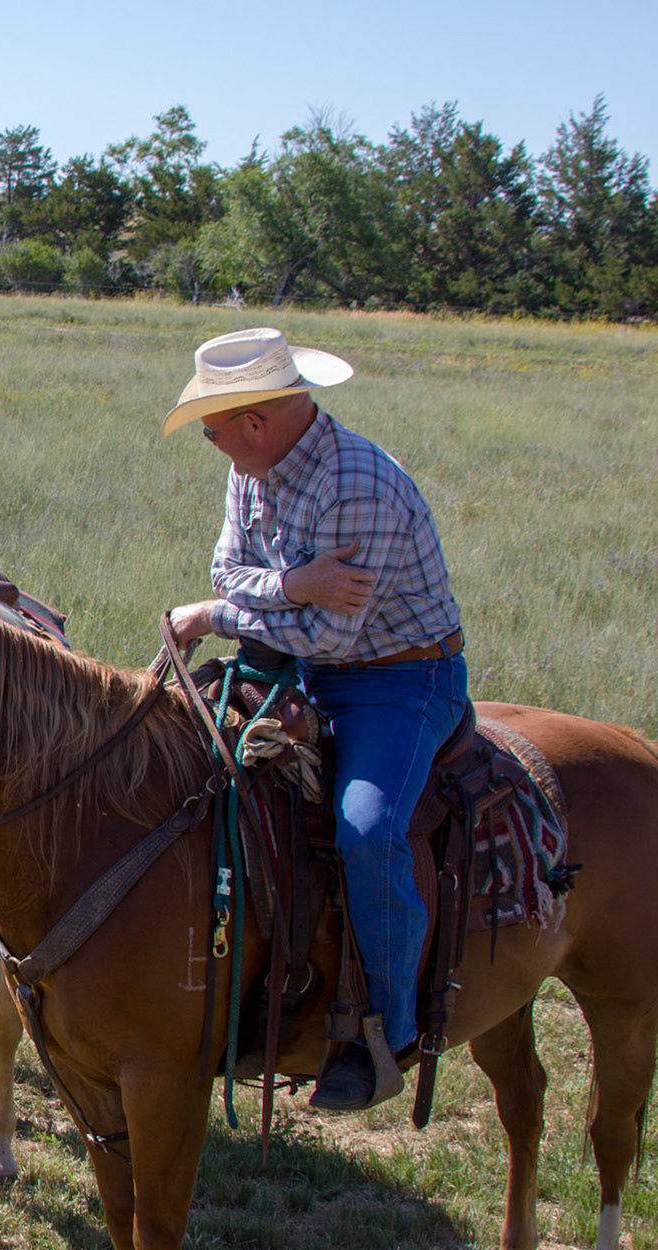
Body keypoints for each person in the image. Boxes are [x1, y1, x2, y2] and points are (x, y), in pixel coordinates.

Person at [162, 328, 469, 1111]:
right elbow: (228, 569)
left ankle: (386, 1030)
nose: (212, 445)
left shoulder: (358, 486)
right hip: (305, 664)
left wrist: (216, 615)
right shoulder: (252, 468)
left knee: (367, 829)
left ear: (255, 422)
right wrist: (295, 584)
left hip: (399, 680)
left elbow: (328, 634)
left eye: (212, 430)